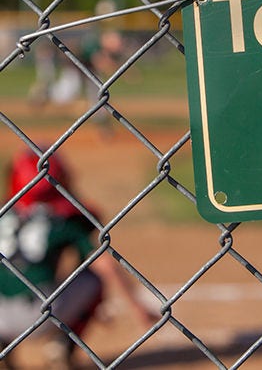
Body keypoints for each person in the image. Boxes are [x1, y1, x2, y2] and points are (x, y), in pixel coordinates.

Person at [0, 149, 158, 369]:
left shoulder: (4, 210)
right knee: (93, 279)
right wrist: (138, 308)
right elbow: (105, 266)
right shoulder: (64, 217)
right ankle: (61, 347)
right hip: (38, 315)